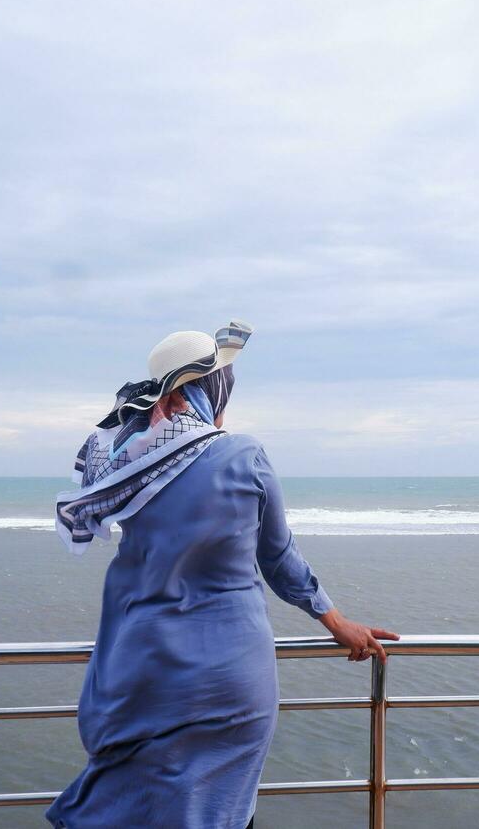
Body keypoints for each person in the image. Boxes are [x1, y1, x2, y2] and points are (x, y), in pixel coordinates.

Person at [46, 320, 398, 829]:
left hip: (138, 670)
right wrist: (338, 621)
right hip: (228, 675)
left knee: (134, 801)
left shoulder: (128, 460)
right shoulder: (242, 455)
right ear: (216, 388)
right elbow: (278, 559)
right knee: (219, 807)